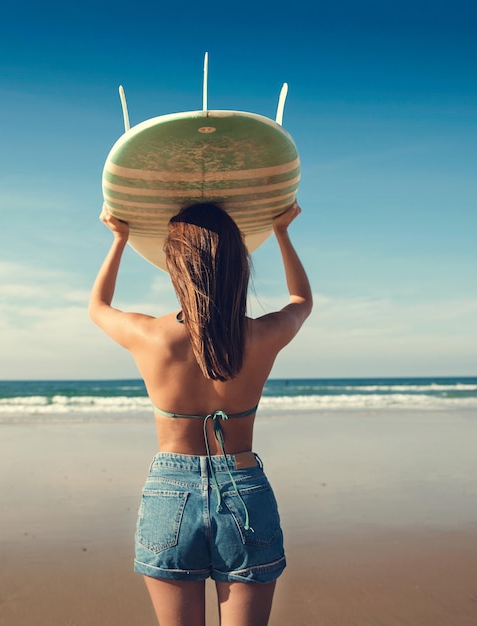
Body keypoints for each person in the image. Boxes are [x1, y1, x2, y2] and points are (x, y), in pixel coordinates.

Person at [89, 200, 312, 626]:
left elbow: (98, 306)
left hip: (169, 493)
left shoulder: (151, 335)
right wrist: (282, 233)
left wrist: (119, 239)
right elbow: (302, 301)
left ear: (174, 267)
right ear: (238, 265)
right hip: (244, 492)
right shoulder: (262, 335)